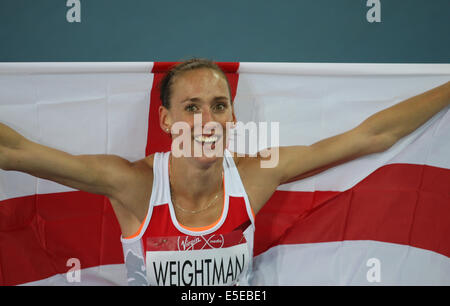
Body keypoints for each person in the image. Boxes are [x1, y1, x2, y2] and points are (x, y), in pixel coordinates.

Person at [0, 59, 449, 286]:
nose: (206, 122)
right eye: (190, 108)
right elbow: (16, 151)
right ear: (165, 121)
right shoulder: (134, 185)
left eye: (219, 106)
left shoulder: (255, 176)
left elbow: (372, 136)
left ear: (233, 118)